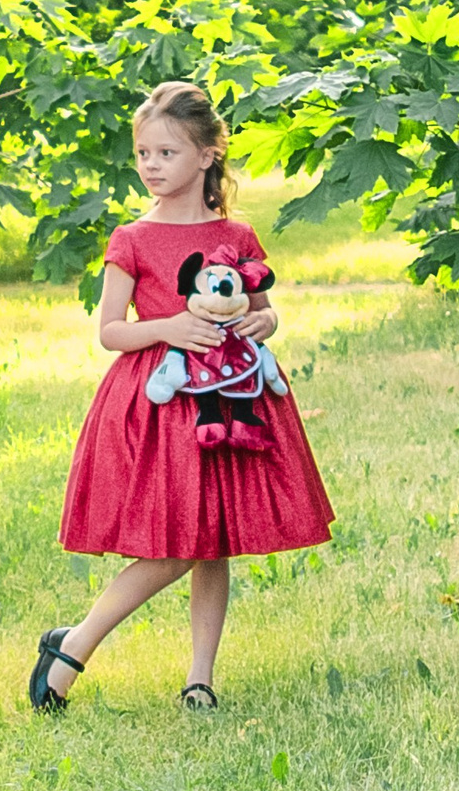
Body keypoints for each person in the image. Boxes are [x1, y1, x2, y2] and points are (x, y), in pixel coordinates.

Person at [27, 80, 335, 714]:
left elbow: (264, 310)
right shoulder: (133, 239)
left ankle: (200, 679)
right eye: (143, 153)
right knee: (176, 544)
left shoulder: (238, 235)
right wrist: (167, 326)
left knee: (213, 538)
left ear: (205, 156)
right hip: (160, 406)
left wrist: (262, 324)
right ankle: (73, 647)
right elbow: (111, 331)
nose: (150, 166)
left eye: (165, 153)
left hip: (231, 400)